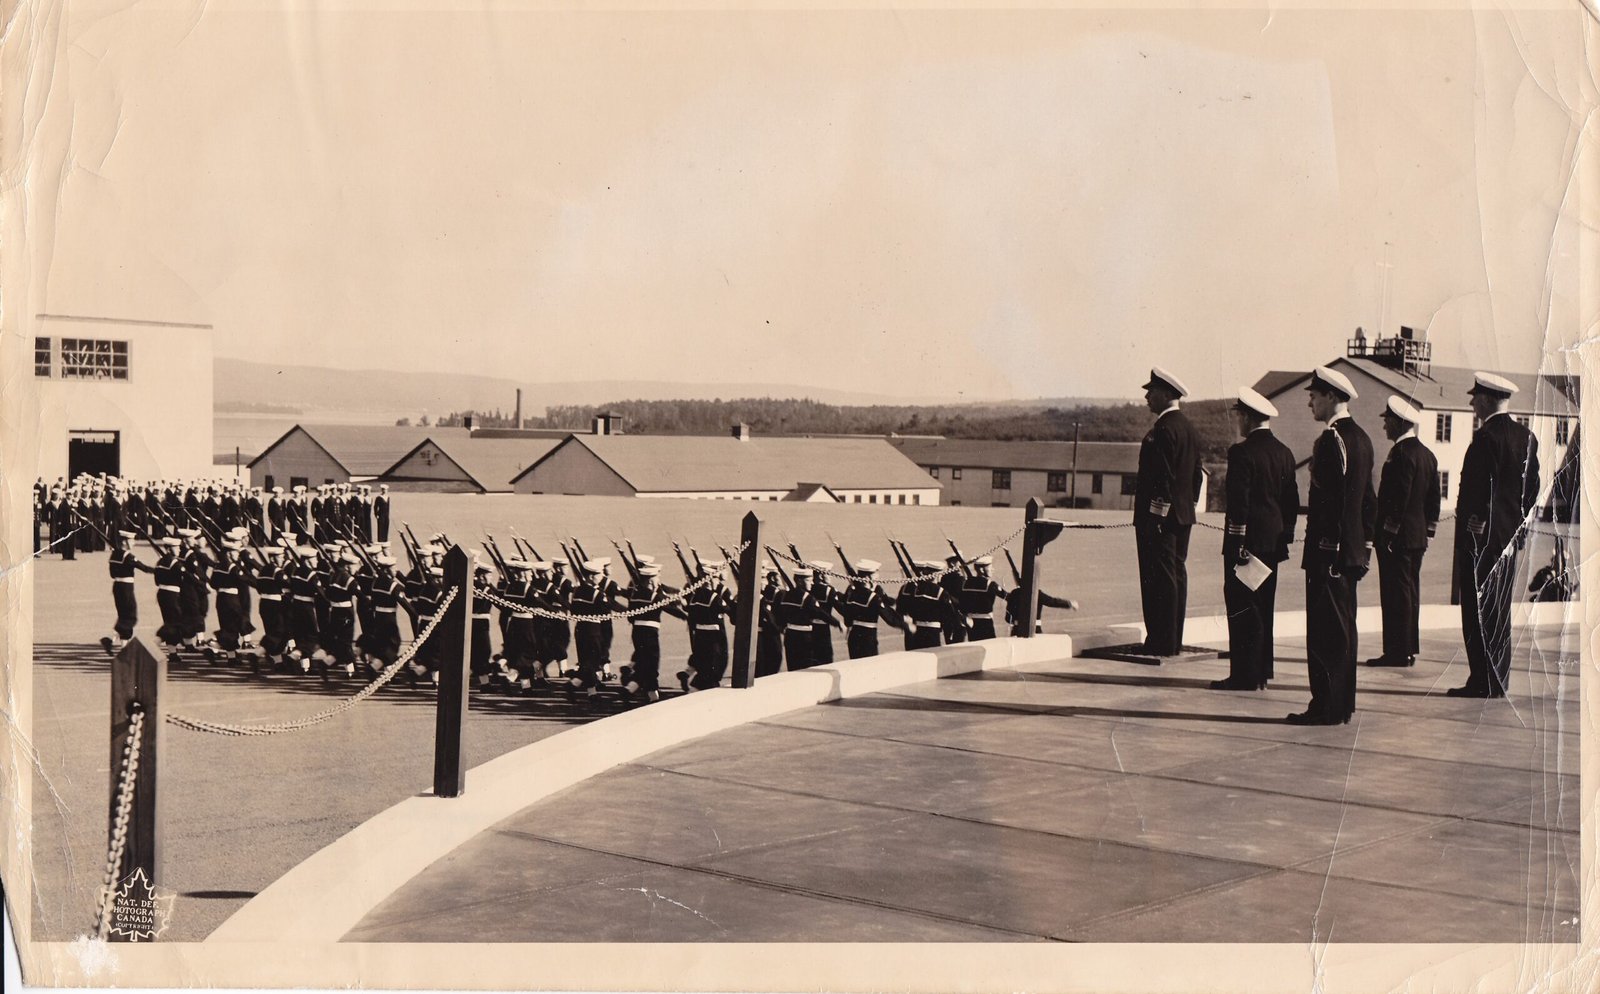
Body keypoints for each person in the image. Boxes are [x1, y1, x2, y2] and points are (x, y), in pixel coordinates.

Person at [1290, 366, 1376, 726]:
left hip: (1329, 553)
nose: (1310, 403)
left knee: (1326, 632)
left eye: (1314, 396)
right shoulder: (1362, 438)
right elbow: (1369, 501)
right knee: (1343, 630)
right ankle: (1341, 705)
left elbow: (1330, 503)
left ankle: (1326, 706)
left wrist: (1328, 549)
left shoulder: (1331, 440)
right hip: (1350, 552)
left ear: (1330, 397)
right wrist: (1364, 547)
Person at [1449, 372, 1539, 698]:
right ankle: (1497, 679)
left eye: (1475, 398)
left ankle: (1482, 681)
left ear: (1487, 400)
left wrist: (1477, 523)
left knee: (1477, 611)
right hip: (1507, 541)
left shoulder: (1485, 438)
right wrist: (1516, 527)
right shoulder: (1526, 437)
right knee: (1499, 610)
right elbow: (1531, 489)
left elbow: (1477, 489)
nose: (1472, 403)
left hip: (1481, 541)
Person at [1214, 387, 1298, 691]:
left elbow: (1239, 503)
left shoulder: (1242, 452)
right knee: (1264, 607)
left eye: (1240, 416)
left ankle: (1244, 675)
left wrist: (1237, 544)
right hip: (1272, 544)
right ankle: (1261, 671)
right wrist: (1285, 536)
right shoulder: (1285, 453)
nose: (1238, 421)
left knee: (1242, 608)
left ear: (1248, 418)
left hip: (1247, 544)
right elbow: (1291, 501)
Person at [1367, 396, 1440, 668]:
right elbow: (1434, 498)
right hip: (1416, 537)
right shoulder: (1427, 454)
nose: (1384, 425)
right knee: (1410, 593)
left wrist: (1388, 532)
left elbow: (1398, 497)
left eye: (1387, 420)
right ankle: (1408, 649)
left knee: (1395, 595)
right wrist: (1429, 531)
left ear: (1399, 423)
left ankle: (1397, 652)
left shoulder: (1400, 454)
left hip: (1396, 538)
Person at [1133, 367, 1203, 656]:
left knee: (1158, 579)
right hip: (1182, 516)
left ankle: (1160, 642)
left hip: (1160, 520)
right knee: (1176, 576)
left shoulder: (1163, 429)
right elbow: (1197, 475)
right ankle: (1172, 640)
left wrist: (1157, 516)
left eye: (1151, 392)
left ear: (1164, 394)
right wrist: (1188, 506)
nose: (1147, 397)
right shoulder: (1188, 428)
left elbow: (1161, 477)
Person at [618, 561, 686, 704]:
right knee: (652, 664)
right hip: (650, 634)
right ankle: (646, 694)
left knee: (644, 663)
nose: (658, 580)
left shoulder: (635, 594)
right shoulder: (654, 596)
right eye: (656, 577)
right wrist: (686, 616)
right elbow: (671, 608)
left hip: (637, 632)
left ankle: (633, 690)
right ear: (650, 580)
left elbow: (631, 616)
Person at [100, 530, 154, 656]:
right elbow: (144, 568)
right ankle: (110, 638)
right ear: (124, 542)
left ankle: (124, 648)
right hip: (126, 588)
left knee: (123, 616)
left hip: (117, 586)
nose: (133, 542)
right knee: (130, 617)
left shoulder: (114, 555)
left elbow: (112, 574)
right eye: (131, 540)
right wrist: (160, 570)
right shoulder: (128, 556)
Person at [839, 561, 893, 658]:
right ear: (868, 578)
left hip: (853, 635)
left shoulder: (851, 593)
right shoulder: (873, 596)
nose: (878, 577)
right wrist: (905, 625)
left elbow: (847, 613)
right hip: (868, 637)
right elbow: (887, 615)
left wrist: (849, 626)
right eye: (876, 574)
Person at [957, 557, 1007, 641]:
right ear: (982, 570)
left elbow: (961, 603)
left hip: (971, 623)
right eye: (990, 567)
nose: (993, 569)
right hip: (986, 623)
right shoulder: (990, 584)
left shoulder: (965, 584)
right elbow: (1006, 596)